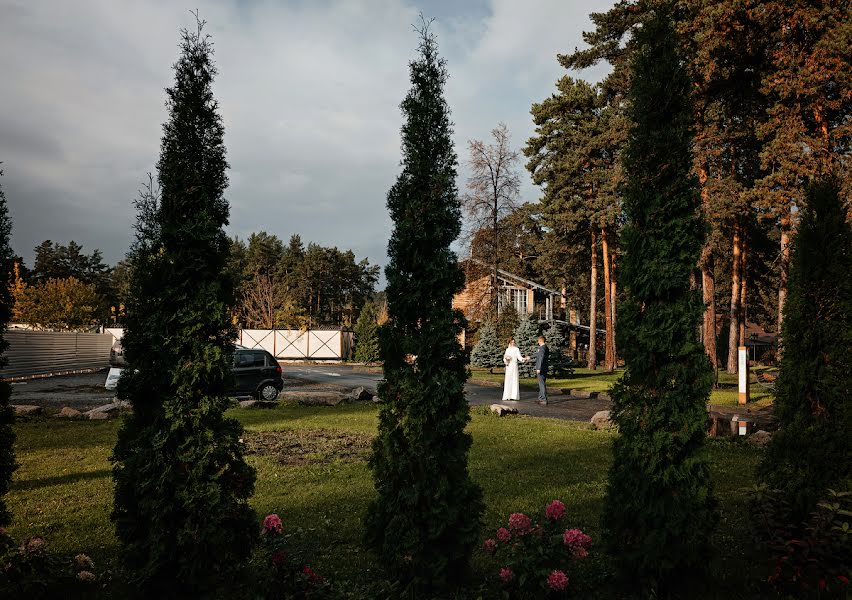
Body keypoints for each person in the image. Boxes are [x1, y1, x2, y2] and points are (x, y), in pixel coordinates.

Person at [535, 335, 550, 405]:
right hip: (545, 368)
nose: (538, 342)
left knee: (541, 384)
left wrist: (538, 368)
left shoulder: (542, 348)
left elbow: (540, 358)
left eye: (538, 341)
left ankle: (544, 399)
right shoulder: (545, 348)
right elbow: (538, 355)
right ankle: (540, 398)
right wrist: (529, 357)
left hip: (541, 368)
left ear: (540, 340)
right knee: (542, 383)